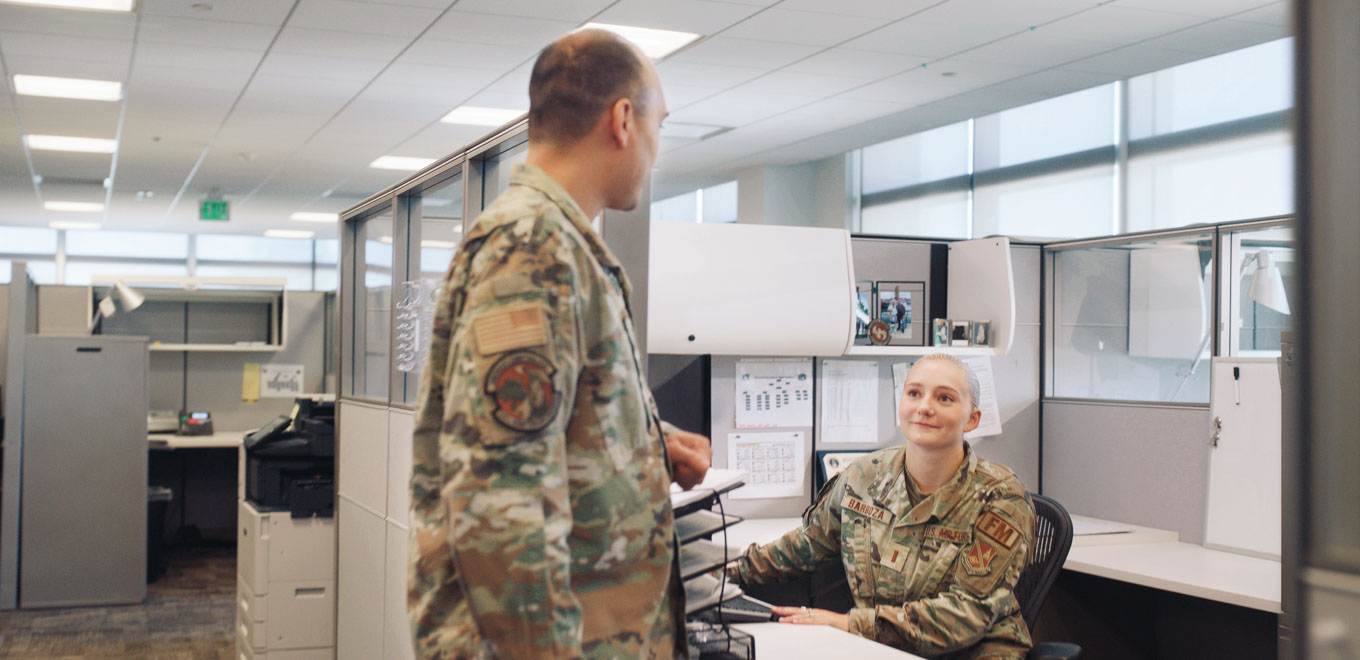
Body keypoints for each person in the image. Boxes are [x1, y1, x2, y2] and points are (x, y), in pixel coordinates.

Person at [407, 28, 713, 659]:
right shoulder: (532, 249)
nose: (656, 147)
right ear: (623, 120)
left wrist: (648, 445)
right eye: (658, 124)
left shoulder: (559, 245)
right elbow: (502, 499)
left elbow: (541, 428)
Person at [727, 354, 1036, 659]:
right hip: (881, 647)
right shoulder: (864, 476)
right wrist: (727, 573)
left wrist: (848, 624)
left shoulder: (1001, 499)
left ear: (972, 419)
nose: (924, 407)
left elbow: (967, 615)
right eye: (914, 393)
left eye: (945, 398)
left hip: (974, 652)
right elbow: (808, 545)